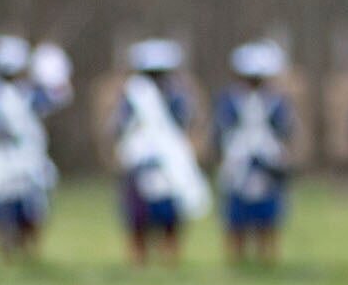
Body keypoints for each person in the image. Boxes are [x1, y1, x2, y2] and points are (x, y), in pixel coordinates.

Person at [109, 39, 209, 266]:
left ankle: (168, 256)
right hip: (140, 159)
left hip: (170, 161)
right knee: (138, 215)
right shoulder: (132, 96)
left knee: (171, 215)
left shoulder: (177, 97)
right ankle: (140, 257)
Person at [0, 34, 66, 259]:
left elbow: (55, 99)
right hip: (3, 158)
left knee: (33, 207)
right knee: (4, 206)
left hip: (30, 159)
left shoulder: (29, 93)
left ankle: (29, 249)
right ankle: (7, 247)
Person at [213, 41, 293, 266]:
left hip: (267, 159)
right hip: (238, 159)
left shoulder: (277, 100)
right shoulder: (229, 99)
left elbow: (285, 127)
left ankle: (267, 257)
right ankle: (237, 258)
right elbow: (221, 128)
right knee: (236, 215)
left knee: (269, 214)